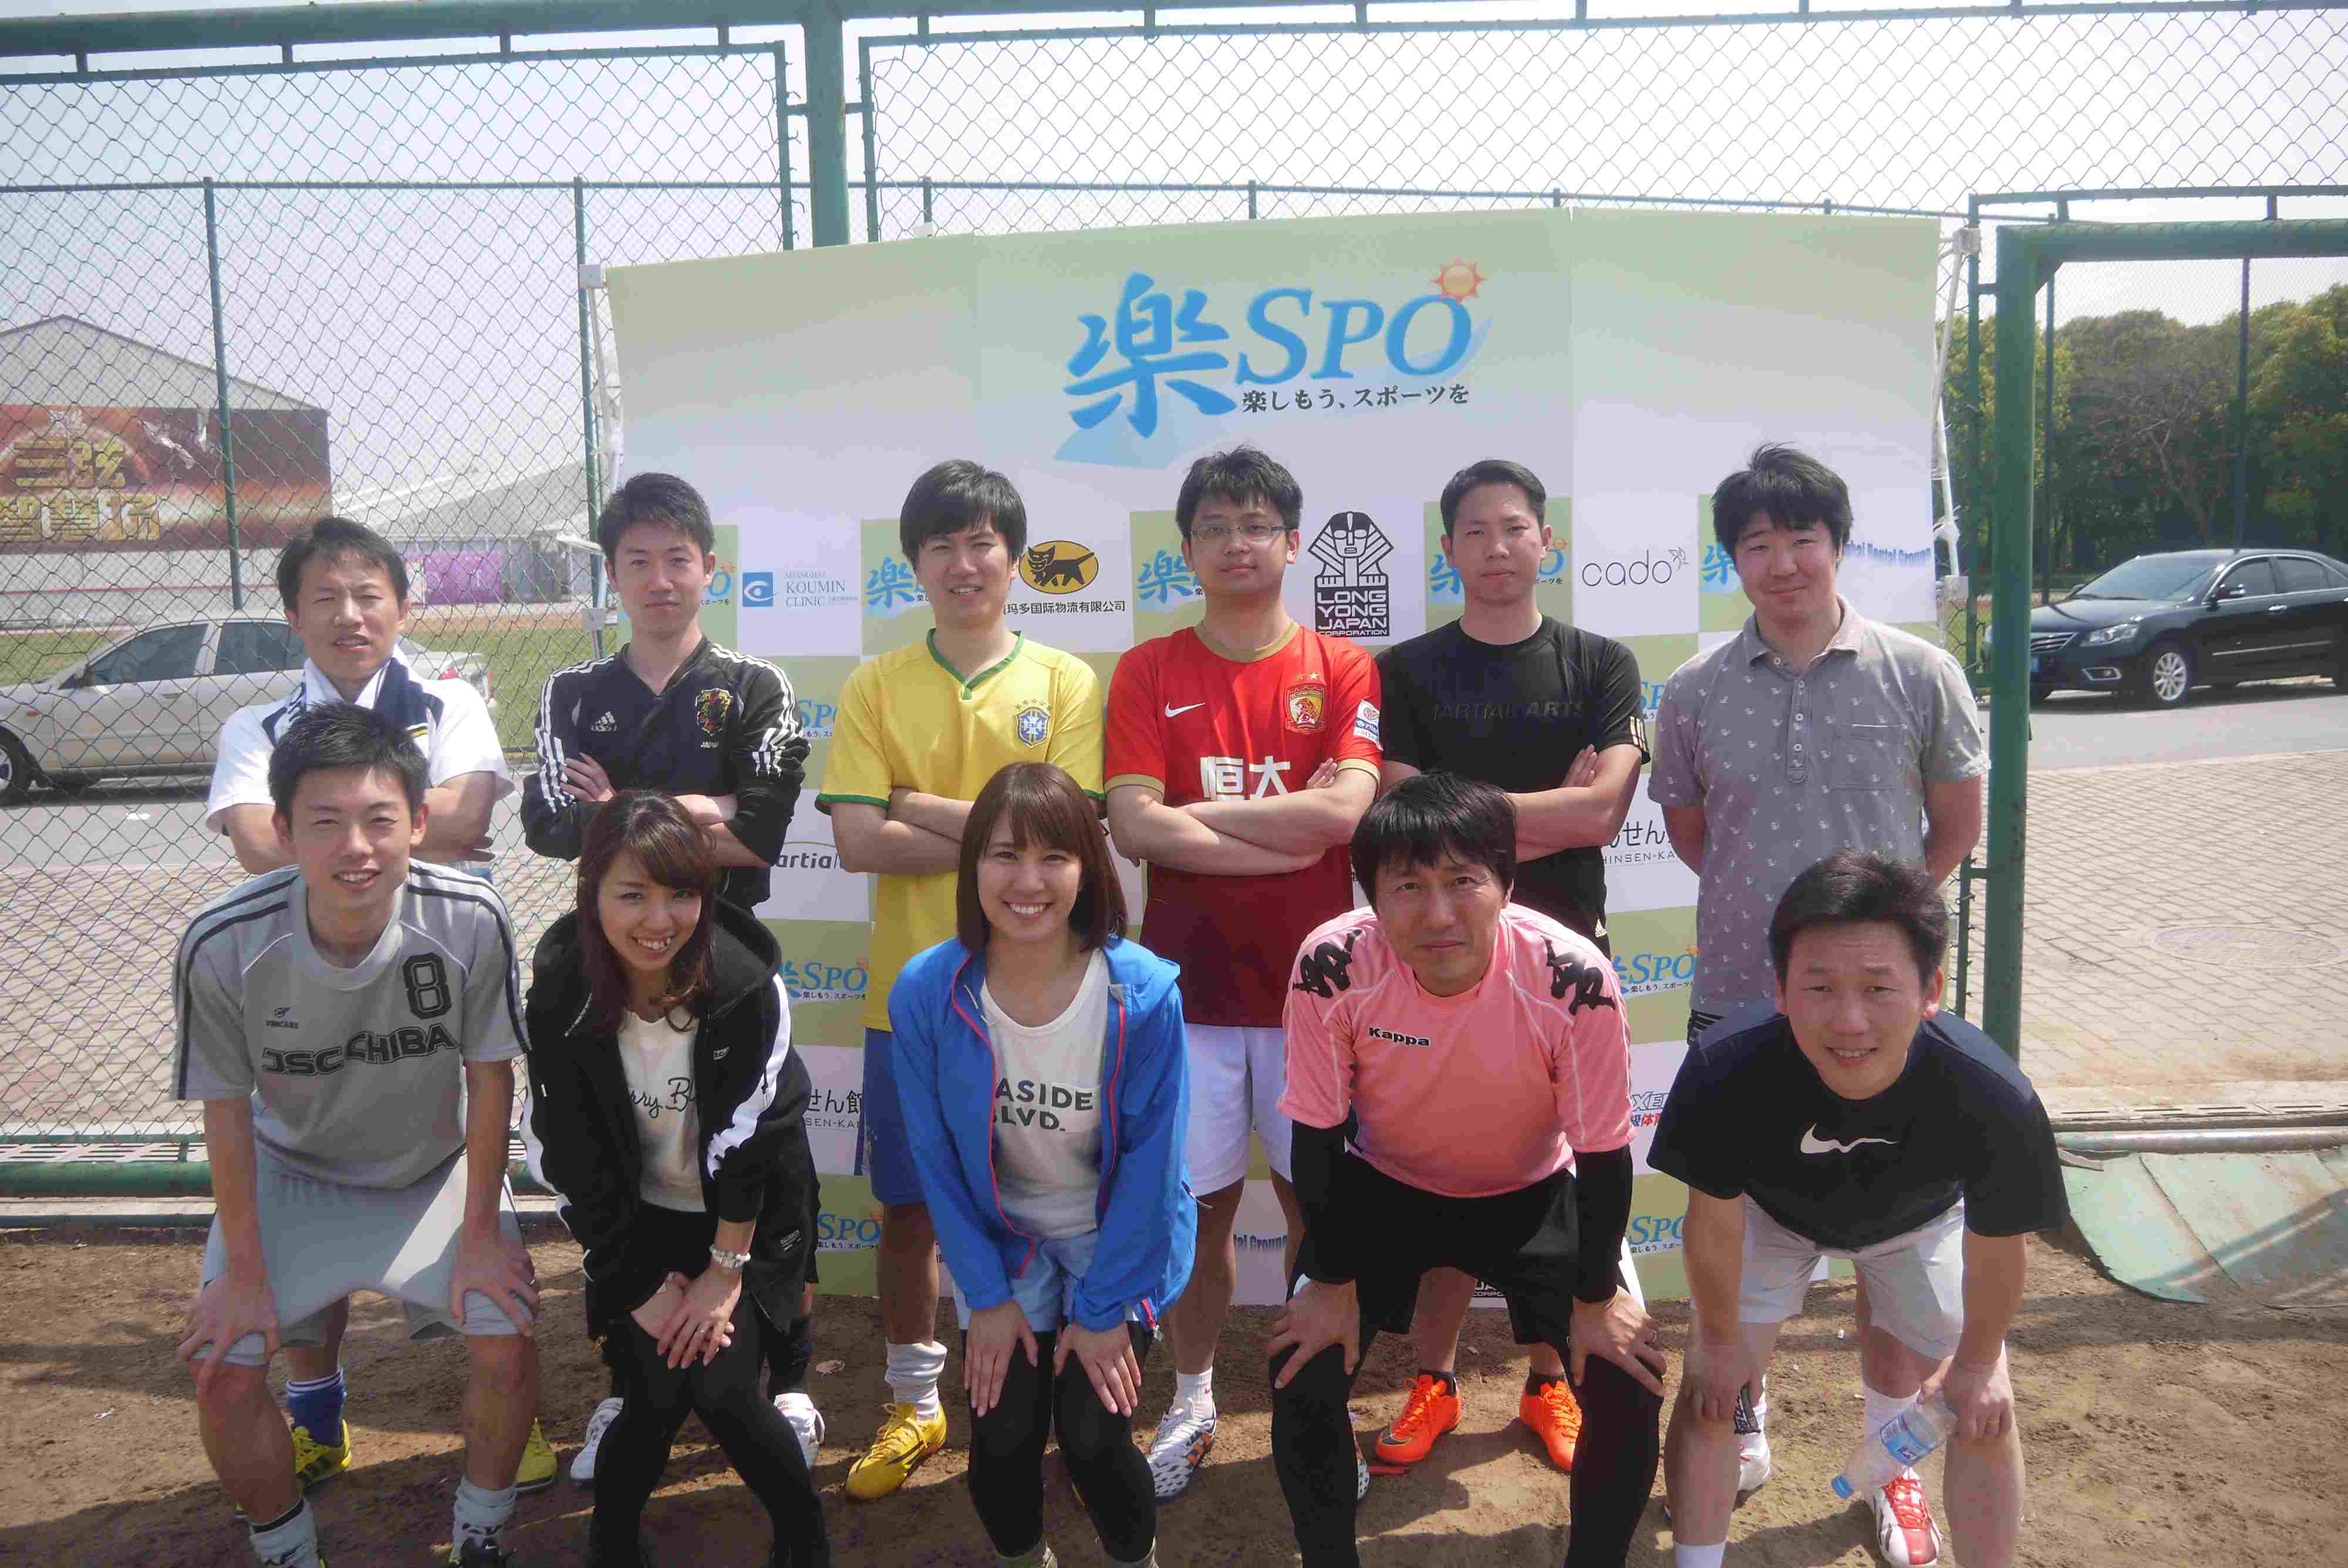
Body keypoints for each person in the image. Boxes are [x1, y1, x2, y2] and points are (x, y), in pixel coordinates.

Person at [1648, 442, 1985, 1547]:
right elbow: (1695, 836)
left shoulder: (1919, 672)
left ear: (1838, 544)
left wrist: (1867, 960)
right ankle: (1739, 1407)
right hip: (1741, 1011)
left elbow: (1956, 825)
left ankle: (1888, 1455)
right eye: (1757, 544)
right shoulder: (1694, 691)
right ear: (1733, 560)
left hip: (1883, 1024)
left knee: (1898, 1246)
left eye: (1803, 538)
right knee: (1741, 1244)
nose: (1783, 562)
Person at [200, 516, 544, 1498]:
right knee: (306, 1157)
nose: (349, 616)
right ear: (291, 614)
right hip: (309, 990)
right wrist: (388, 835)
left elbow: (469, 815)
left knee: (455, 1174)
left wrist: (327, 842)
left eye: (368, 595)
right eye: (325, 597)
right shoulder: (255, 727)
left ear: (402, 604)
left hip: (436, 982)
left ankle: (504, 1421)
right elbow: (255, 846)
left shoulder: (450, 700)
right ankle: (318, 1410)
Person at [1270, 773, 1665, 1568]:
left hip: (1534, 1190)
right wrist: (1329, 1282)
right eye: (1408, 887)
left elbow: (1602, 1153)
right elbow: (1315, 1138)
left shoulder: (1573, 976)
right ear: (1371, 895)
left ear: (1507, 884)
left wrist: (1596, 1300)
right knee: (1300, 1370)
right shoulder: (1331, 964)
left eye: (1463, 881)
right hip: (1385, 1185)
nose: (1439, 914)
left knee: (1629, 1382)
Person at [817, 459, 1105, 1501]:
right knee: (908, 1208)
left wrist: (916, 803)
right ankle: (913, 1399)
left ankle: (1063, 1388)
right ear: (915, 564)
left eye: (982, 541)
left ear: (1013, 559)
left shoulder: (1066, 681)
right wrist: (1001, 828)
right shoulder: (874, 684)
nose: (963, 562)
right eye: (941, 544)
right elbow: (857, 840)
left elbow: (1070, 832)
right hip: (916, 997)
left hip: (1046, 997)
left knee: (1056, 1198)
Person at [521, 471, 818, 1480]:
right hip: (615, 968)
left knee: (767, 1155)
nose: (659, 578)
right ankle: (625, 1381)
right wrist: (705, 809)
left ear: (709, 569)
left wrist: (626, 805)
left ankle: (788, 1378)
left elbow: (765, 831)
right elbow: (549, 823)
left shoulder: (757, 687)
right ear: (612, 574)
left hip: (727, 964)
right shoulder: (572, 693)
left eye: (677, 559)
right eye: (638, 560)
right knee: (622, 1158)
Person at [1652, 850, 2067, 1568]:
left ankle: (1891, 1469)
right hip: (1770, 1214)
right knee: (1709, 1388)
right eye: (1819, 986)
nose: (1849, 1020)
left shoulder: (1991, 1092)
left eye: (1878, 987)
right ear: (1780, 988)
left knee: (1982, 1407)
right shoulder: (1724, 1067)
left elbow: (1998, 1245)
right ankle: (1720, 1499)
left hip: (1921, 1219)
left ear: (1930, 988)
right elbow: (1713, 1219)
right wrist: (1717, 1344)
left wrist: (1977, 1362)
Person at [1103, 445, 1381, 1499]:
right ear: (1186, 550)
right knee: (1201, 1215)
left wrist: (1202, 820)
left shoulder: (1343, 667)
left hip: (1317, 1001)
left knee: (1320, 1216)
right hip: (1193, 999)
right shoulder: (1148, 669)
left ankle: (1321, 1411)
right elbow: (1135, 826)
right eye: (1214, 528)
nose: (1236, 544)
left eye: (1257, 524)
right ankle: (1192, 1399)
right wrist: (1283, 840)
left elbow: (1344, 815)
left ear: (1293, 542)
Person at [1368, 457, 1649, 1475]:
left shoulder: (1601, 664)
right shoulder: (1404, 671)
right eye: (1476, 531)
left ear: (1546, 541)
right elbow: (1399, 824)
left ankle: (1549, 1378)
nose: (1497, 547)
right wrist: (1543, 809)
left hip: (1567, 961)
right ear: (1449, 549)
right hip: (1437, 958)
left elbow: (1602, 813)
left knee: (1556, 1178)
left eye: (1516, 527)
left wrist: (1465, 813)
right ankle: (1434, 1379)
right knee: (1448, 1170)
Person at [890, 762, 1193, 1568]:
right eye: (1004, 855)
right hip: (1004, 1241)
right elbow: (936, 1160)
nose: (1028, 882)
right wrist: (986, 1297)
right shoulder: (927, 990)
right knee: (1001, 1442)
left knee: (1094, 1437)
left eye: (1053, 857)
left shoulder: (1142, 993)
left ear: (1088, 867)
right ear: (973, 866)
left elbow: (1153, 1170)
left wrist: (1104, 1309)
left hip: (1111, 1237)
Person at [520, 792, 829, 1568]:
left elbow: (754, 1144)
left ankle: (806, 1545)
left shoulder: (745, 981)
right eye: (632, 895)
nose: (659, 920)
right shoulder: (560, 987)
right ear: (592, 893)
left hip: (744, 1216)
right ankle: (613, 1549)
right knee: (655, 1389)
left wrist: (724, 1272)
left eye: (681, 894)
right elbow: (567, 1153)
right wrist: (642, 1284)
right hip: (642, 1221)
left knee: (723, 1389)